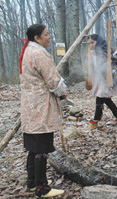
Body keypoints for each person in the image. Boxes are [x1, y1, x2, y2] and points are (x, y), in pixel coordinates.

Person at [20, 24, 66, 197]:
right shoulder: (39, 53)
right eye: (46, 35)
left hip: (30, 106)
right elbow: (54, 82)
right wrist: (63, 92)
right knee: (41, 149)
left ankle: (32, 182)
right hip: (41, 108)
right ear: (37, 38)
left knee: (33, 147)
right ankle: (42, 188)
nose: (49, 37)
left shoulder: (28, 51)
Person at [87, 34, 117, 129]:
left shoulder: (105, 49)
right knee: (107, 100)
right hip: (99, 78)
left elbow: (109, 62)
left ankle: (95, 120)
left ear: (98, 41)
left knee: (100, 99)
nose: (91, 45)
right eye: (90, 43)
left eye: (93, 42)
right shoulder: (94, 51)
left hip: (105, 79)